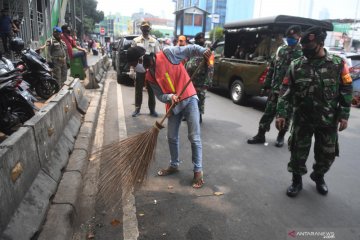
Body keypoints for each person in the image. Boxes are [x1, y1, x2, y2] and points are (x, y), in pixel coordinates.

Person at [275, 26, 353, 197]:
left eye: (309, 47)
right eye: (303, 47)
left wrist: (344, 115)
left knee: (327, 155)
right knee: (297, 153)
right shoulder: (297, 65)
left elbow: (347, 88)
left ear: (320, 43)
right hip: (302, 119)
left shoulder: (338, 64)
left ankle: (318, 176)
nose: (305, 51)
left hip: (328, 120)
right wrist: (281, 113)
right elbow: (285, 89)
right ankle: (296, 181)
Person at [126, 44, 212, 188]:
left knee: (194, 136)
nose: (135, 68)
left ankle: (198, 171)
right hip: (174, 105)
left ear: (143, 58)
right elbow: (160, 95)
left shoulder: (168, 54)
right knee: (171, 137)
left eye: (135, 64)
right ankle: (174, 165)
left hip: (189, 97)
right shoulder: (149, 75)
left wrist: (203, 51)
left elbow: (189, 50)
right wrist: (170, 96)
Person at [248, 25, 303, 147]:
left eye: (292, 37)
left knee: (285, 116)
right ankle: (260, 135)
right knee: (268, 113)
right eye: (288, 37)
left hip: (290, 92)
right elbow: (272, 68)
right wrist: (267, 85)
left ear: (299, 37)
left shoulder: (302, 53)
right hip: (275, 89)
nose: (290, 39)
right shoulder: (280, 50)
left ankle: (280, 136)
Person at [130, 21, 160, 117]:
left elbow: (158, 56)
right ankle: (137, 109)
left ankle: (152, 110)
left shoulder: (154, 41)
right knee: (138, 89)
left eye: (147, 28)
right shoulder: (136, 41)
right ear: (141, 29)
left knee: (151, 90)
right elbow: (132, 57)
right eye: (144, 28)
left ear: (150, 29)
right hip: (139, 67)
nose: (145, 29)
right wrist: (132, 69)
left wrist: (157, 71)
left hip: (151, 69)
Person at [185, 32, 214, 123]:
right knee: (189, 98)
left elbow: (211, 68)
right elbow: (187, 63)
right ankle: (188, 115)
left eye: (202, 39)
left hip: (200, 81)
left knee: (200, 99)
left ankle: (199, 116)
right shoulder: (193, 51)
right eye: (198, 39)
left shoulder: (208, 53)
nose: (201, 41)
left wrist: (207, 82)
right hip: (190, 80)